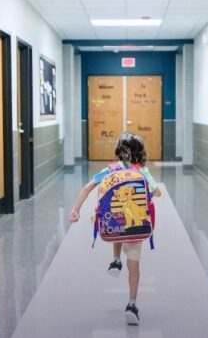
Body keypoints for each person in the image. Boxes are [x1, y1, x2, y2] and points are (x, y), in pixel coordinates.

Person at [69, 132, 161, 325]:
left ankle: (116, 260)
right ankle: (132, 304)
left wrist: (75, 211)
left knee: (116, 223)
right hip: (137, 226)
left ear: (119, 151)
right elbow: (157, 192)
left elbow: (87, 188)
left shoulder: (110, 169)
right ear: (140, 152)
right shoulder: (142, 171)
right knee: (134, 265)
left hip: (114, 224)